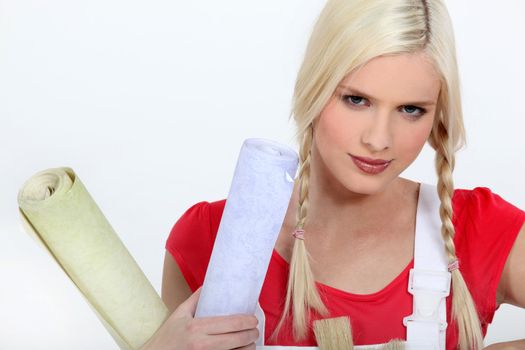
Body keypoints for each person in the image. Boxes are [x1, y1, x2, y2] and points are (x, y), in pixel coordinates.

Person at [141, 0, 525, 349]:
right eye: (356, 100)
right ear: (313, 89)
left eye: (411, 109)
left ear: (437, 114)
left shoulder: (479, 230)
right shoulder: (207, 238)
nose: (378, 140)